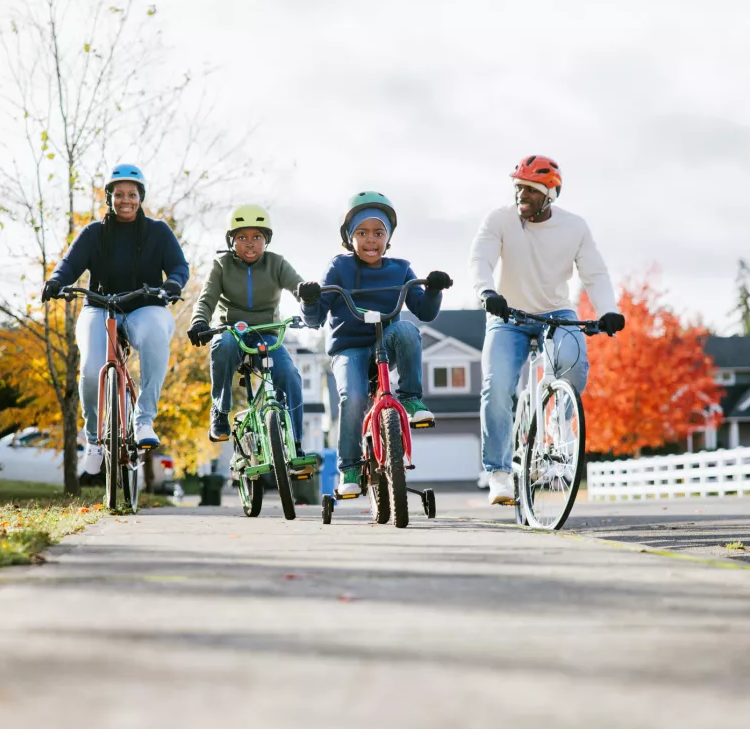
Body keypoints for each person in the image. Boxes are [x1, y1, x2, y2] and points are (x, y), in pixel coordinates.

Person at [469, 155, 625, 505]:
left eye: (531, 190)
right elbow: (481, 258)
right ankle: (499, 472)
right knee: (496, 388)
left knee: (574, 362)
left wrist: (608, 311)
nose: (522, 195)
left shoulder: (575, 227)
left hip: (556, 312)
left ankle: (558, 419)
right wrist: (485, 291)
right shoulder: (499, 220)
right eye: (518, 188)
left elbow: (594, 273)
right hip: (507, 313)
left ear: (550, 194)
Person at [298, 191, 452, 497]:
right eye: (363, 233)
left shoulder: (400, 268)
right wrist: (310, 300)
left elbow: (425, 311)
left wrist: (433, 289)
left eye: (379, 233)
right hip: (349, 347)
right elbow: (314, 320)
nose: (371, 240)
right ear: (349, 237)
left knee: (407, 329)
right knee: (353, 398)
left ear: (389, 237)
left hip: (386, 342)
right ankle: (350, 468)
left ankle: (410, 399)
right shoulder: (338, 268)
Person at [42, 163, 189, 475]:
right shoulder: (94, 233)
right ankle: (94, 440)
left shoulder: (158, 232)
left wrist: (174, 283)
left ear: (141, 197)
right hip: (100, 306)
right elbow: (69, 264)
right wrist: (56, 281)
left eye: (132, 194)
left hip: (145, 305)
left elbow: (179, 266)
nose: (126, 199)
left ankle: (144, 419)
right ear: (108, 198)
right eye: (118, 194)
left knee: (154, 337)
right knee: (93, 368)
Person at [187, 204, 307, 458]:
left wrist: (307, 291)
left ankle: (295, 441)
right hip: (233, 331)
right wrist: (199, 322)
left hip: (267, 334)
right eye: (242, 237)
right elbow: (206, 300)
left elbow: (298, 285)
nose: (250, 244)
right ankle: (220, 412)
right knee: (224, 344)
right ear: (231, 240)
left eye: (257, 237)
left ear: (266, 240)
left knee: (289, 374)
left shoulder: (277, 264)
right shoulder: (221, 265)